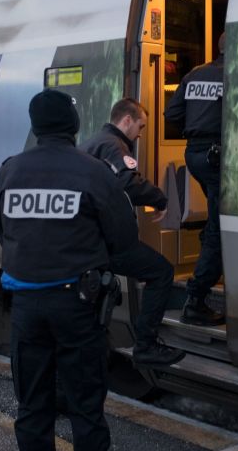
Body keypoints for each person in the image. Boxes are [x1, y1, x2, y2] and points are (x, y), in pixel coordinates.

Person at [0, 89, 138, 451]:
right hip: (78, 306)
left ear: (35, 127)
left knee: (33, 406)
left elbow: (2, 229)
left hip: (26, 309)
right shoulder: (93, 172)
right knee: (86, 409)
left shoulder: (9, 171)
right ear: (73, 127)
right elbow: (123, 238)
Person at [78, 98, 185, 367]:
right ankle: (146, 345)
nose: (140, 133)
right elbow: (129, 182)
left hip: (89, 238)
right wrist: (160, 199)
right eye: (140, 126)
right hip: (107, 241)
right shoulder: (115, 146)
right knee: (161, 272)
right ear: (126, 121)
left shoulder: (93, 142)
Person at [163, 32, 226, 326]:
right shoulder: (234, 75)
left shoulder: (194, 74)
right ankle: (196, 299)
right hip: (218, 155)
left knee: (215, 220)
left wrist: (197, 122)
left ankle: (207, 257)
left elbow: (172, 112)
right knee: (218, 227)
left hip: (195, 154)